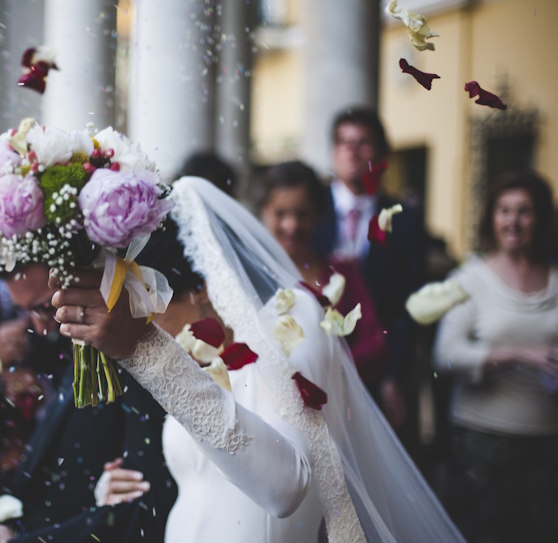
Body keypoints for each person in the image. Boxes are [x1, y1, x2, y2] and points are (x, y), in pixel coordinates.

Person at [54, 177, 465, 542]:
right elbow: (205, 480)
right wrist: (119, 487)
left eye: (150, 313)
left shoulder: (293, 318)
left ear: (199, 289)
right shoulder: (203, 364)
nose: (153, 329)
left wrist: (148, 350)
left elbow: (286, 486)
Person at [0, 264, 177, 543]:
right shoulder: (65, 347)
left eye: (45, 306)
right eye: (25, 312)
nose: (38, 328)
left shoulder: (135, 354)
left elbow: (146, 509)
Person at [434, 171, 558, 542]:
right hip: (482, 444)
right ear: (491, 217)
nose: (513, 222)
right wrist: (519, 354)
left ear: (540, 218)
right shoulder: (468, 279)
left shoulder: (556, 279)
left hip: (548, 442)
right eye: (504, 210)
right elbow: (446, 357)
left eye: (524, 211)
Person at [313, 107, 426, 435]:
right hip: (317, 362)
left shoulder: (405, 219)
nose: (351, 150)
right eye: (343, 142)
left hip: (381, 369)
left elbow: (410, 304)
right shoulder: (309, 210)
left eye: (362, 142)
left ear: (380, 152)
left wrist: (394, 375)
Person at [257, 161, 389, 388]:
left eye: (302, 214)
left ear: (317, 214)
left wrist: (326, 368)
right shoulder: (251, 275)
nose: (291, 225)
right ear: (262, 213)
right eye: (280, 214)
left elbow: (373, 342)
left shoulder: (342, 273)